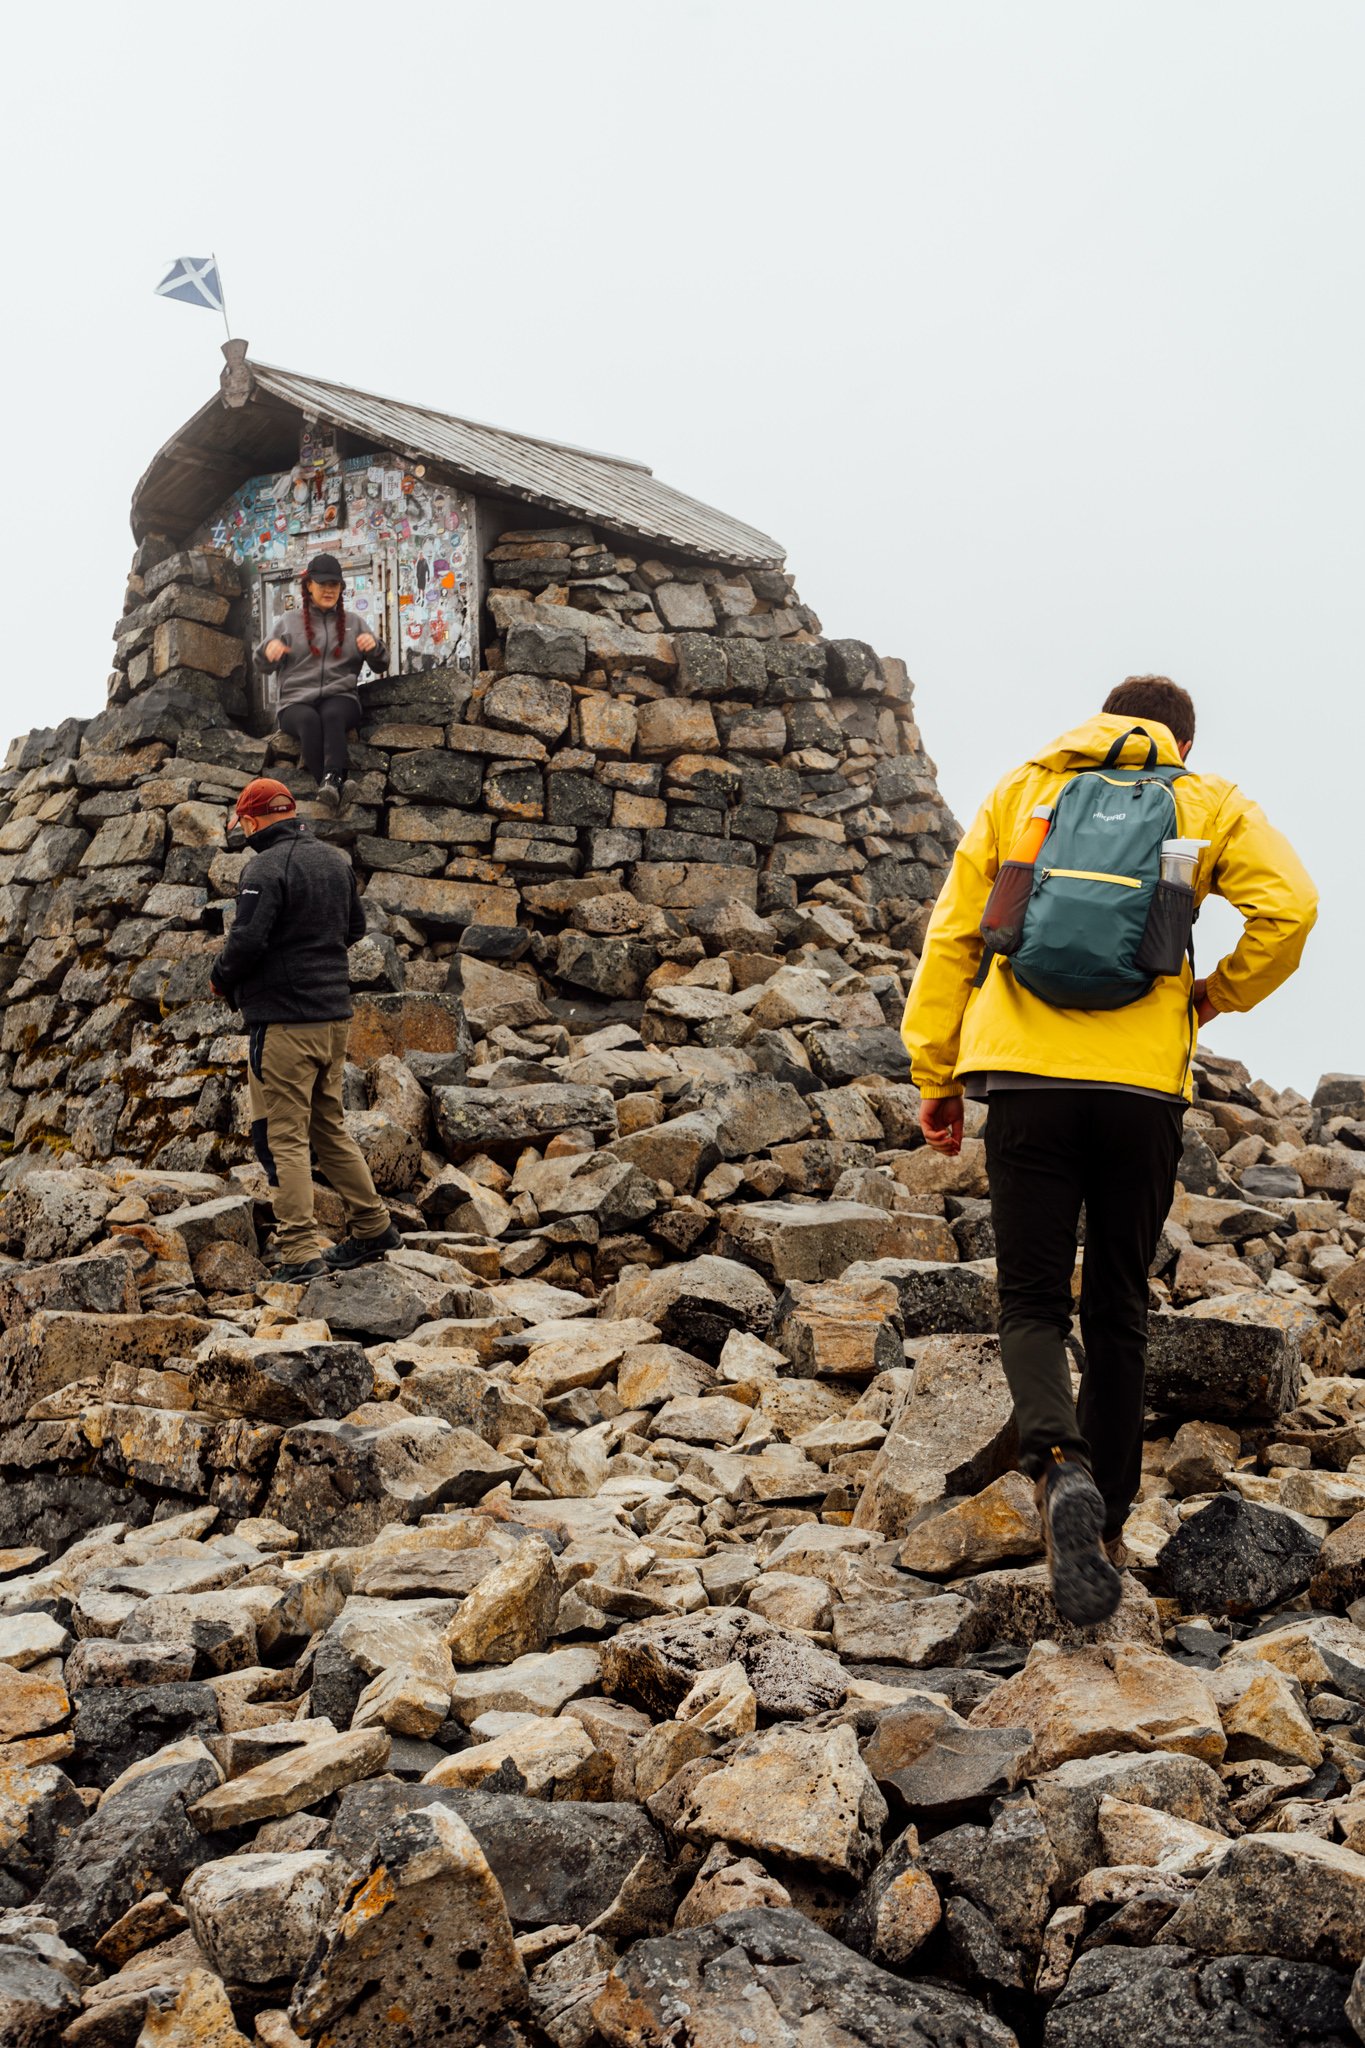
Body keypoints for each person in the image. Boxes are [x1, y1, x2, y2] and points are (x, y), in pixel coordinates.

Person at [900, 676, 1317, 1625]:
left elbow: (954, 937)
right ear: (1178, 738)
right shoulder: (1207, 803)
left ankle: (1057, 1466)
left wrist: (936, 1074)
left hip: (1025, 1083)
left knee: (1033, 1298)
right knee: (1119, 1302)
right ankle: (1112, 1517)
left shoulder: (1025, 791)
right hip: (1139, 1091)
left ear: (1102, 716)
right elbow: (1291, 911)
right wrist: (1211, 996)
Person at [210, 776, 402, 1281]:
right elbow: (355, 929)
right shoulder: (334, 862)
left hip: (284, 1024)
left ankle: (298, 1253)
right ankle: (372, 1225)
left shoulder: (265, 866)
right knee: (328, 1126)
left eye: (242, 823)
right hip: (333, 1018)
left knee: (282, 1138)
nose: (242, 831)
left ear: (250, 819)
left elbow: (247, 942)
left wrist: (218, 979)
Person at [258, 553, 387, 813]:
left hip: (341, 697)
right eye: (322, 584)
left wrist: (374, 648)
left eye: (335, 584)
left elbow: (381, 665)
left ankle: (331, 780)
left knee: (332, 713)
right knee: (308, 719)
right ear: (309, 586)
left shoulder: (355, 623)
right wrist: (268, 653)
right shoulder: (287, 622)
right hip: (295, 702)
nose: (329, 590)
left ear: (341, 588)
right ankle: (330, 784)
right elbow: (262, 664)